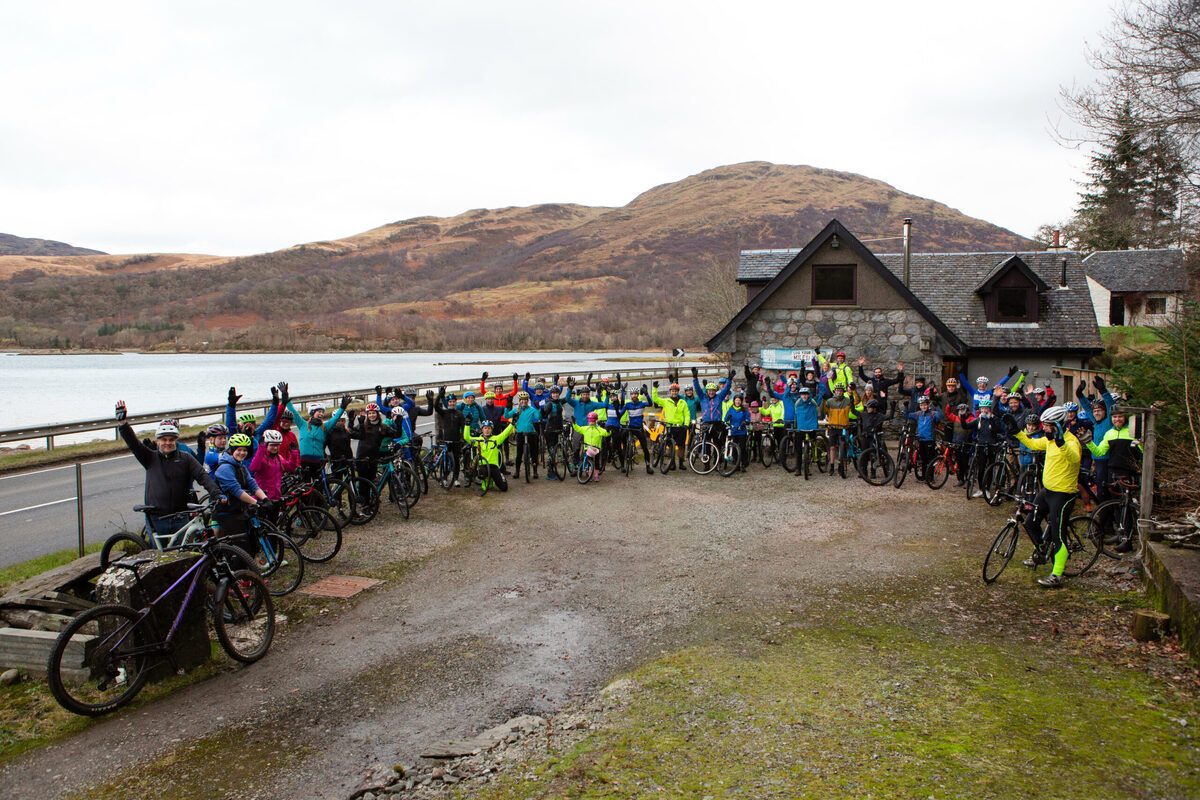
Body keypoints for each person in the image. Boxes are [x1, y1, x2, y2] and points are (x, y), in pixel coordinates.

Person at [115, 401, 221, 541]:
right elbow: (133, 444)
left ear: (176, 440)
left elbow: (202, 476)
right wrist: (123, 424)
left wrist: (216, 493)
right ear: (158, 441)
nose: (167, 443)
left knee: (183, 554)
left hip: (180, 517)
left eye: (171, 439)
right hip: (157, 518)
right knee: (159, 557)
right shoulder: (150, 458)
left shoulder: (185, 458)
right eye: (163, 439)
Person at [1016, 405, 1082, 587]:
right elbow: (1032, 444)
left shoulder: (1070, 441)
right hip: (1047, 491)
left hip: (1063, 494)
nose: (1043, 428)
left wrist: (1061, 443)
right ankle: (1043, 551)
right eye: (1043, 425)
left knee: (1057, 534)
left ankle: (1056, 575)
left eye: (1047, 425)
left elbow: (1075, 459)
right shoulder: (1050, 440)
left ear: (1059, 425)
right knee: (1030, 522)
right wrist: (1016, 432)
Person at [1085, 404, 1143, 553]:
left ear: (1125, 418)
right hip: (1112, 471)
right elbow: (1099, 452)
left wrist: (1139, 444)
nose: (1117, 419)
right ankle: (1120, 533)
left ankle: (1127, 540)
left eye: (1120, 417)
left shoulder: (1131, 433)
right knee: (1117, 505)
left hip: (1127, 472)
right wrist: (1088, 442)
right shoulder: (1109, 434)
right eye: (1115, 417)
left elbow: (1143, 451)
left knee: (1126, 505)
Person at [213, 432, 270, 554]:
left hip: (238, 510)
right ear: (232, 450)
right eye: (239, 450)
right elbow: (236, 491)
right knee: (242, 548)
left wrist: (265, 499)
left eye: (244, 450)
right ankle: (236, 571)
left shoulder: (240, 466)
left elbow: (252, 484)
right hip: (226, 512)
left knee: (252, 543)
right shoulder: (225, 468)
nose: (242, 453)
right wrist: (256, 503)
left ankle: (246, 570)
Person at [286, 394, 350, 482]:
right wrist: (287, 401)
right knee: (305, 487)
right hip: (304, 460)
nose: (321, 414)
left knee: (319, 488)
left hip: (318, 461)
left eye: (322, 412)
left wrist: (342, 407)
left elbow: (335, 418)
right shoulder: (303, 424)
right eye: (319, 411)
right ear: (313, 413)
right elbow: (294, 413)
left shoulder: (325, 427)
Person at [463, 419, 514, 495]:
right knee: (485, 486)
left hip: (494, 467)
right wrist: (467, 424)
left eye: (489, 428)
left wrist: (512, 424)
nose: (487, 430)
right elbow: (466, 437)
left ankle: (500, 476)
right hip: (483, 467)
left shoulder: (496, 439)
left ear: (491, 430)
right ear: (482, 429)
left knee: (504, 488)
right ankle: (486, 480)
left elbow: (505, 434)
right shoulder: (478, 440)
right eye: (485, 428)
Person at [651, 379, 691, 473]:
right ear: (670, 392)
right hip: (670, 426)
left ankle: (681, 463)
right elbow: (655, 399)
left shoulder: (683, 402)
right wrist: (654, 388)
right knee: (670, 445)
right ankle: (671, 462)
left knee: (681, 446)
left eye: (676, 391)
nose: (674, 392)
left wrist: (686, 424)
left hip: (680, 427)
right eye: (672, 391)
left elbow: (687, 414)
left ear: (678, 392)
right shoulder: (666, 401)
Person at [249, 428, 298, 502]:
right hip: (262, 498)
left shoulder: (279, 458)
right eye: (272, 445)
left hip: (276, 497)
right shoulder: (262, 457)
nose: (275, 448)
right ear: (266, 445)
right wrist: (261, 448)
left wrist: (293, 453)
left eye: (277, 445)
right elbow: (253, 468)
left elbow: (290, 468)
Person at [503, 391, 542, 482]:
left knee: (534, 452)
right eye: (522, 400)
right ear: (520, 401)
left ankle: (535, 471)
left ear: (527, 400)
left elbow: (539, 417)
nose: (523, 402)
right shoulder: (516, 410)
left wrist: (538, 408)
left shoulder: (531, 409)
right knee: (519, 454)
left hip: (531, 432)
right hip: (520, 433)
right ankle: (517, 471)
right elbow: (506, 416)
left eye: (525, 400)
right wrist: (507, 407)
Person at [820, 383, 855, 477]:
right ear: (835, 391)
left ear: (843, 391)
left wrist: (852, 395)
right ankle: (831, 465)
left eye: (840, 390)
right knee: (832, 447)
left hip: (843, 427)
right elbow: (823, 411)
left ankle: (841, 465)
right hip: (833, 427)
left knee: (841, 448)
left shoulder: (847, 400)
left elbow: (853, 405)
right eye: (837, 390)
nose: (839, 392)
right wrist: (823, 400)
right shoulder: (830, 401)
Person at [906, 395, 941, 479]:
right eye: (921, 405)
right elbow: (908, 415)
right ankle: (924, 475)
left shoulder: (932, 413)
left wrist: (937, 407)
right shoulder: (918, 414)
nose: (923, 406)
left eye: (925, 405)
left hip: (930, 439)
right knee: (923, 459)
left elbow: (940, 416)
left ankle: (930, 477)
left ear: (928, 405)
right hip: (921, 439)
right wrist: (906, 407)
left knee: (930, 459)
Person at [572, 411, 611, 482]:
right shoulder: (585, 428)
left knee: (596, 462)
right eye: (590, 421)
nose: (592, 423)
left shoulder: (599, 429)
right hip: (588, 448)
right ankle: (589, 474)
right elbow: (578, 429)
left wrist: (608, 431)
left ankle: (596, 475)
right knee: (588, 461)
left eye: (593, 421)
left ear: (596, 421)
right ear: (588, 421)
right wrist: (574, 423)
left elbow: (605, 433)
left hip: (596, 448)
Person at [723, 393, 751, 470]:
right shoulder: (731, 409)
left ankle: (744, 463)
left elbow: (748, 420)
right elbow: (725, 419)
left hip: (742, 431)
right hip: (733, 431)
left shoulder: (744, 410)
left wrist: (745, 422)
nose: (737, 402)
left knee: (742, 447)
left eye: (739, 400)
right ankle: (736, 464)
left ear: (741, 401)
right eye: (736, 400)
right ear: (734, 401)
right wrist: (728, 417)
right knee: (734, 448)